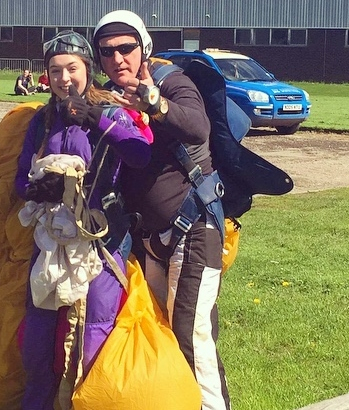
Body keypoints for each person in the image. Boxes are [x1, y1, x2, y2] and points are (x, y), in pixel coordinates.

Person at [94, 10, 231, 410]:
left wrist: (155, 103)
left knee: (190, 329)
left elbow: (197, 126)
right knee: (162, 329)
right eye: (107, 51)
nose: (118, 58)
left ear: (143, 47)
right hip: (148, 236)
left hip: (194, 226)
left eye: (126, 48)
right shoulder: (108, 94)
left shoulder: (170, 80)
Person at [14, 30, 151, 409]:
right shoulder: (42, 121)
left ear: (87, 69)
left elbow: (141, 155)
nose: (63, 79)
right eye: (54, 71)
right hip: (51, 240)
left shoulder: (111, 109)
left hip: (102, 239)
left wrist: (97, 121)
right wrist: (38, 189)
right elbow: (20, 179)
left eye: (71, 68)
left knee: (93, 332)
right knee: (39, 336)